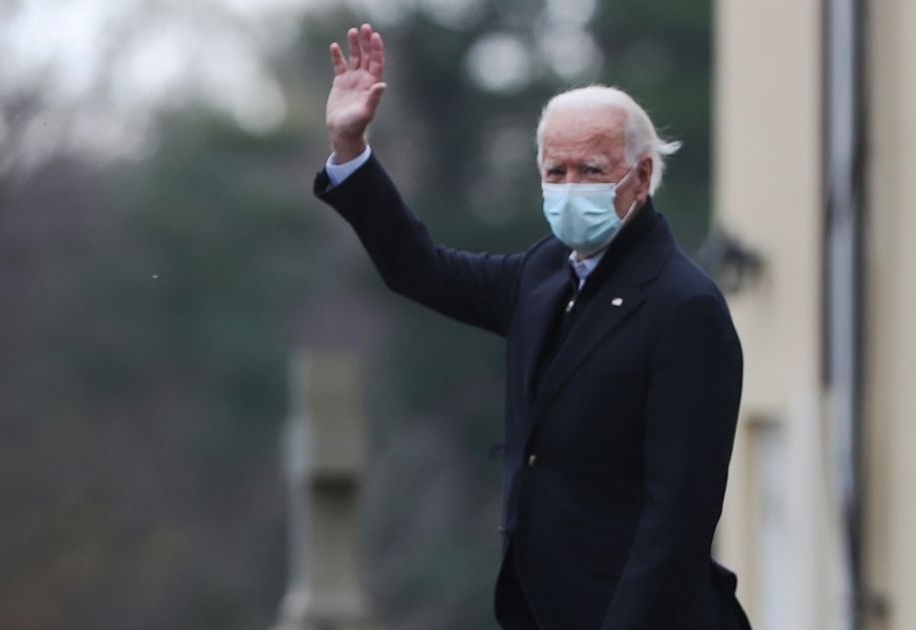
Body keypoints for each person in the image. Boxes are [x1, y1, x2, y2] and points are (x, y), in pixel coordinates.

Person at [314, 23, 751, 630]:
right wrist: (350, 148)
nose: (570, 189)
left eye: (592, 171)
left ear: (642, 177)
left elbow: (677, 519)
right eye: (556, 171)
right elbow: (420, 268)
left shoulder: (685, 307)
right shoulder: (543, 271)